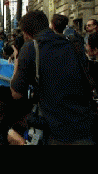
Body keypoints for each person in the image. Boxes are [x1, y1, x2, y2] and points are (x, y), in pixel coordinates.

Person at [10, 10, 97, 145]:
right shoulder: (74, 43)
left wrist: (17, 58)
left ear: (26, 34)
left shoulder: (30, 48)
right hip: (85, 128)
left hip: (57, 133)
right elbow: (89, 82)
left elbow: (16, 93)